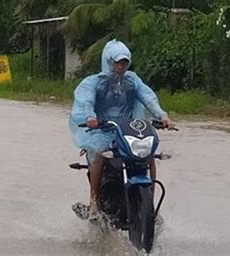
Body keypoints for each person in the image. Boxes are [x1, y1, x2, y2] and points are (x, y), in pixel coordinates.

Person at [69, 39, 174, 219]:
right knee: (99, 153)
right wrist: (91, 117)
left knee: (149, 155)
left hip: (129, 130)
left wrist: (162, 116)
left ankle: (151, 203)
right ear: (108, 61)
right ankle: (94, 201)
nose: (121, 66)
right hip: (103, 130)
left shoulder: (132, 81)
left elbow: (148, 97)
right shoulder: (93, 82)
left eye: (124, 62)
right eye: (117, 62)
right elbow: (87, 100)